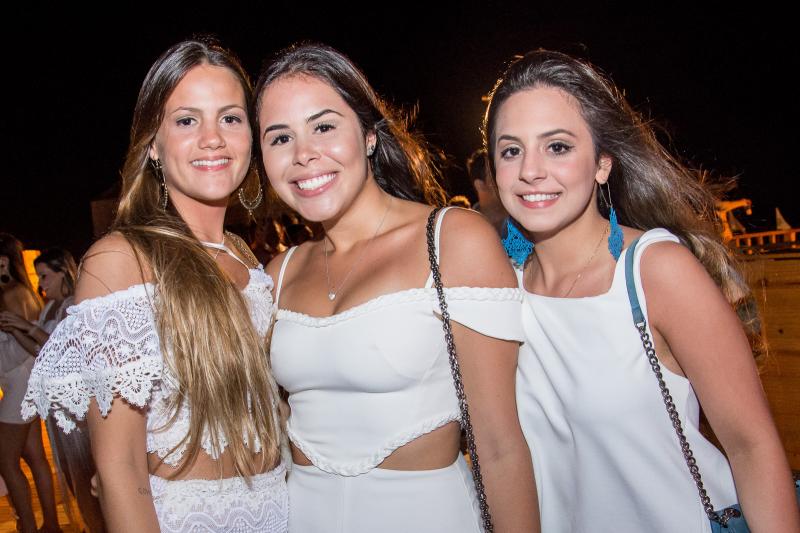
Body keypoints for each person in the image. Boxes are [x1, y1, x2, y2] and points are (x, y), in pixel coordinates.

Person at [484, 49, 800, 531]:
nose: (531, 170)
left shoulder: (655, 271)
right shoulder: (500, 288)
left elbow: (751, 446)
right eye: (511, 150)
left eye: (558, 146)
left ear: (602, 164)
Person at [256, 43, 538, 533]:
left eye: (324, 127)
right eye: (281, 137)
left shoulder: (452, 240)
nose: (303, 155)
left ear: (369, 135)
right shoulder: (278, 273)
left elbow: (499, 446)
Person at [22, 39, 288, 532]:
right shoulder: (121, 262)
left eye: (230, 118)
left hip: (279, 513)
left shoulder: (249, 262)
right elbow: (120, 470)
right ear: (152, 145)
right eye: (187, 121)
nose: (213, 138)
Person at [3, 247, 107, 532]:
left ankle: (100, 524)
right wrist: (16, 330)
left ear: (63, 273)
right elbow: (40, 353)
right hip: (57, 401)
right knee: (69, 468)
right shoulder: (49, 307)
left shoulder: (74, 305)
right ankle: (87, 522)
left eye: (45, 276)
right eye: (38, 276)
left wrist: (27, 327)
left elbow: (66, 349)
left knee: (85, 465)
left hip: (77, 402)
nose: (41, 283)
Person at [0, 233, 61, 533]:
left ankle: (28, 527)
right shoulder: (20, 290)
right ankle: (50, 525)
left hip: (19, 384)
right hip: (24, 383)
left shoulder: (12, 293)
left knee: (5, 461)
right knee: (35, 456)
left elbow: (24, 348)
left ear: (3, 261)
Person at [466, 148, 505, 233]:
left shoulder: (523, 220)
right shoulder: (467, 229)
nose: (504, 179)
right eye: (494, 174)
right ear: (480, 185)